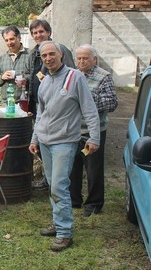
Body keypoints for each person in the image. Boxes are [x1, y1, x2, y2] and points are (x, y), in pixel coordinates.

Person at [29, 41, 100, 252]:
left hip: (64, 142)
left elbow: (89, 109)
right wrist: (34, 139)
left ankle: (64, 233)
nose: (48, 58)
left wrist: (94, 138)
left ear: (61, 55)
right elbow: (41, 114)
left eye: (52, 54)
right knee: (53, 185)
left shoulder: (74, 77)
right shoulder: (44, 82)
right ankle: (58, 221)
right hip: (45, 141)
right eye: (44, 56)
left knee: (59, 186)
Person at [70, 45, 118, 217]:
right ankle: (74, 200)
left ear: (94, 59)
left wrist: (86, 103)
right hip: (74, 129)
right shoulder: (73, 74)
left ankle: (94, 204)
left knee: (93, 168)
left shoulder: (104, 76)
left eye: (86, 58)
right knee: (73, 166)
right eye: (79, 58)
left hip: (94, 131)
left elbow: (112, 102)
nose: (82, 61)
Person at [28, 19, 75, 190]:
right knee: (41, 140)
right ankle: (49, 180)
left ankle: (59, 182)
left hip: (58, 107)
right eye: (34, 33)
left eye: (41, 31)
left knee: (58, 145)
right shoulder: (35, 53)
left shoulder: (60, 50)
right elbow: (34, 76)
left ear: (48, 32)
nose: (38, 35)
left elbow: (70, 77)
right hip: (39, 103)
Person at [0, 25, 31, 105]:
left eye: (12, 39)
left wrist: (26, 80)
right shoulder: (3, 58)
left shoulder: (30, 54)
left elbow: (36, 75)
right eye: (6, 40)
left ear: (19, 37)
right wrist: (2, 77)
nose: (9, 43)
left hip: (25, 101)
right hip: (7, 102)